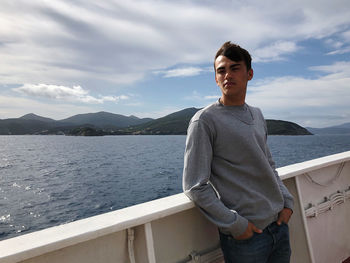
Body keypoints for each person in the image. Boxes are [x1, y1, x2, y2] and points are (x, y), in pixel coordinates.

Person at [182, 41, 294, 263]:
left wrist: (287, 202)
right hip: (246, 238)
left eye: (235, 68)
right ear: (215, 78)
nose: (227, 75)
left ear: (249, 74)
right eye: (221, 70)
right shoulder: (204, 121)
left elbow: (268, 164)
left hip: (279, 226)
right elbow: (195, 186)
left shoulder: (258, 115)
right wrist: (236, 225)